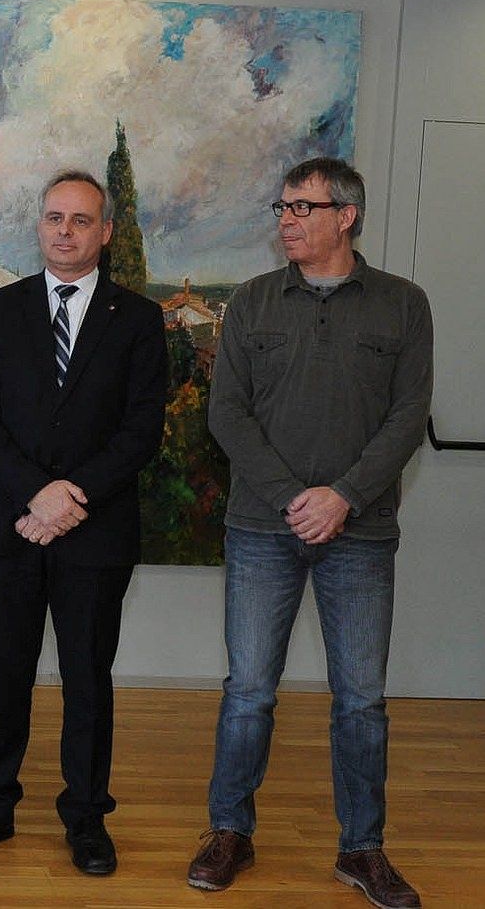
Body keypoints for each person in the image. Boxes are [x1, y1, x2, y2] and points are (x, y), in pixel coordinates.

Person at [188, 157, 431, 909]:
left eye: (301, 207)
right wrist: (297, 496)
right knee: (248, 691)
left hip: (360, 535)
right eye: (281, 207)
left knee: (359, 698)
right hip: (261, 528)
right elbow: (227, 413)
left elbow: (406, 416)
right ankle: (229, 830)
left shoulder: (401, 304)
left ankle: (361, 849)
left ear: (345, 215)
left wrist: (344, 497)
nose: (286, 220)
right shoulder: (253, 303)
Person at [0, 170, 168, 875]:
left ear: (104, 232)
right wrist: (37, 494)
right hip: (9, 523)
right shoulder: (0, 311)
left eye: (80, 219)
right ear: (39, 226)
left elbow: (140, 430)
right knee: (2, 673)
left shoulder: (139, 318)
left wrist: (70, 498)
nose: (64, 229)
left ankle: (87, 817)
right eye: (53, 217)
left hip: (95, 532)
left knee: (86, 678)